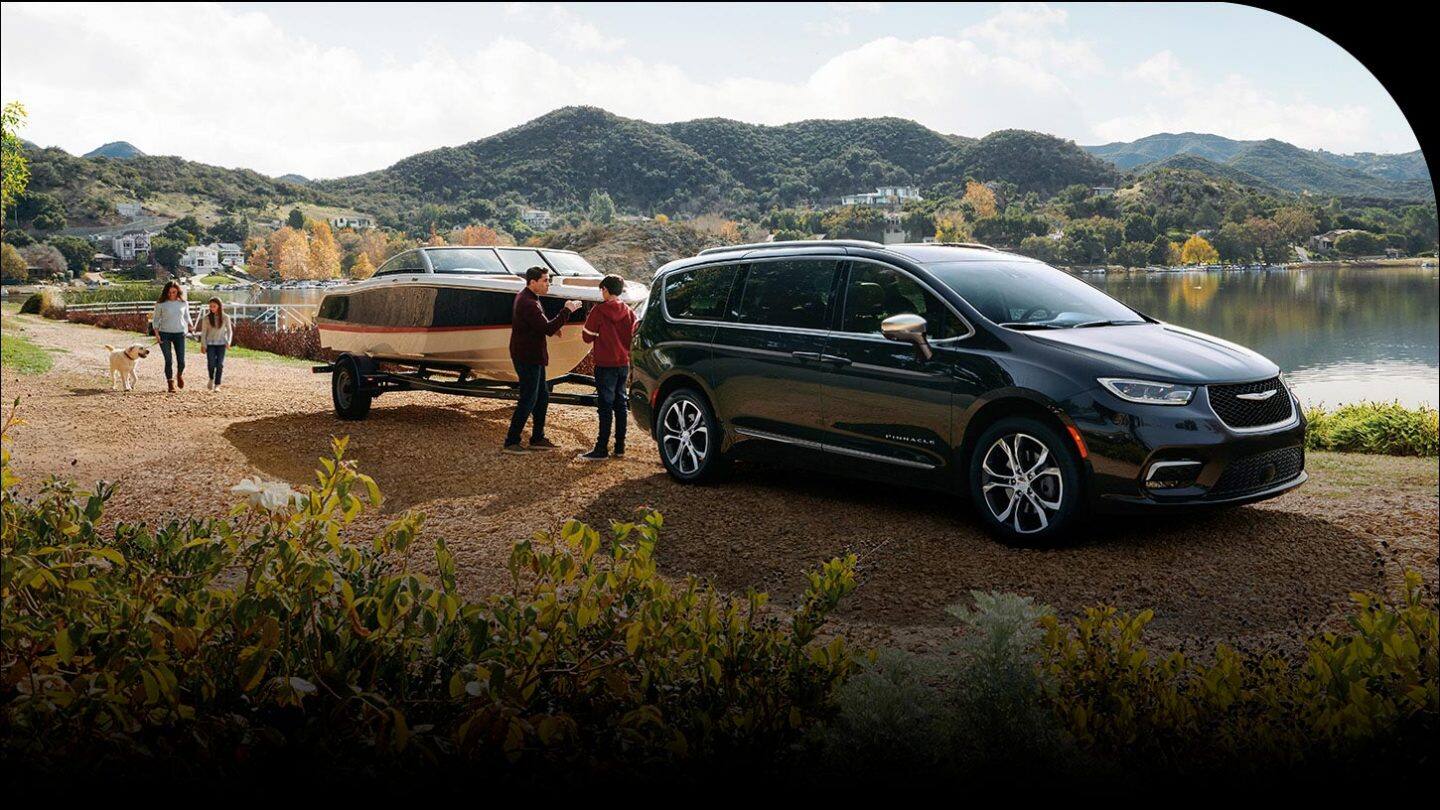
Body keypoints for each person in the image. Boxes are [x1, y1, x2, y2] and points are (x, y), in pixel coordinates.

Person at [504, 266, 581, 453]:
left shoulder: (530, 298)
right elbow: (545, 327)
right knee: (528, 398)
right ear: (533, 282)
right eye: (545, 280)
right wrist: (566, 310)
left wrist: (554, 328)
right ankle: (511, 441)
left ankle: (537, 438)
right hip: (527, 356)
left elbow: (540, 325)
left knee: (542, 397)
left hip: (533, 355)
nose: (548, 284)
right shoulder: (528, 302)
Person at [576, 275, 638, 462]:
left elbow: (587, 337)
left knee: (605, 406)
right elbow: (634, 334)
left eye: (601, 289)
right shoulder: (628, 311)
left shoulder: (599, 311)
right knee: (620, 404)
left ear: (605, 290)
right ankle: (619, 447)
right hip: (622, 364)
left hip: (605, 365)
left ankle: (601, 448)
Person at [150, 281, 193, 393]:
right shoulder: (160, 304)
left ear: (178, 291)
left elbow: (187, 316)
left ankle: (179, 375)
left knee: (181, 361)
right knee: (168, 360)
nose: (171, 294)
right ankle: (170, 383)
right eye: (169, 292)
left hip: (179, 334)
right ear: (166, 292)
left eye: (174, 292)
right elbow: (155, 320)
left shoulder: (183, 303)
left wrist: (190, 325)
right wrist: (157, 334)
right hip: (165, 334)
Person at [195, 297, 234, 391]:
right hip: (210, 344)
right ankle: (211, 378)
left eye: (214, 306)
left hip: (221, 344)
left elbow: (230, 331)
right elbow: (204, 333)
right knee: (211, 363)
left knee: (220, 364)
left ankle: (217, 385)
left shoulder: (226, 317)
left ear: (219, 306)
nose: (212, 308)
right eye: (210, 306)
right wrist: (203, 345)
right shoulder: (206, 318)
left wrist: (228, 342)